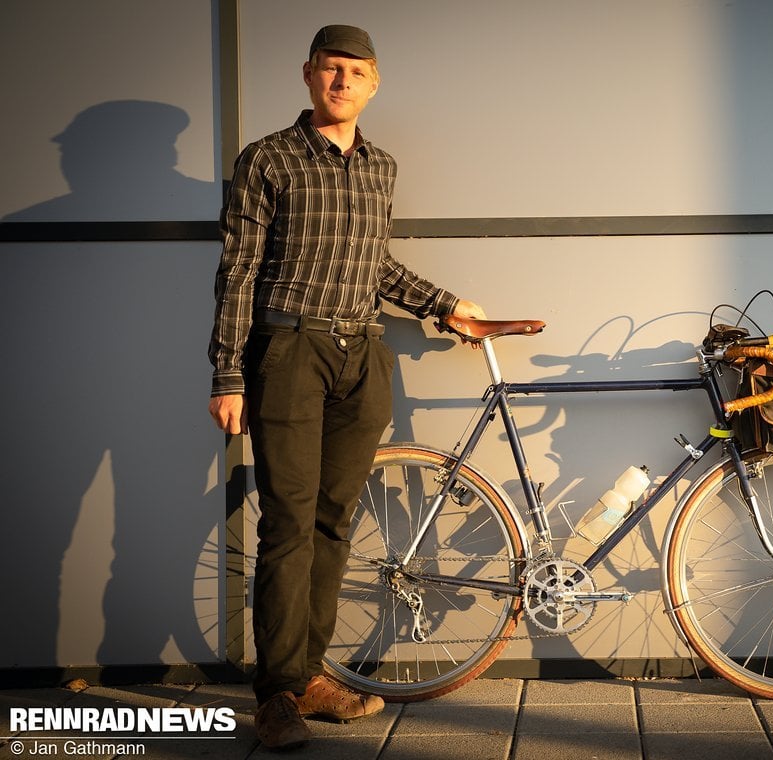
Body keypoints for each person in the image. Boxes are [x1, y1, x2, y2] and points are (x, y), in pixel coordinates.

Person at [207, 24, 485, 749]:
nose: (341, 83)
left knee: (336, 523)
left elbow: (375, 267)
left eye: (355, 72)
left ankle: (307, 679)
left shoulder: (380, 168)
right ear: (307, 75)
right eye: (330, 70)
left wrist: (445, 304)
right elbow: (238, 270)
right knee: (288, 524)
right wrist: (228, 371)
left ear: (374, 82)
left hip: (362, 357)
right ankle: (274, 696)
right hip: (289, 351)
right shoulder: (267, 160)